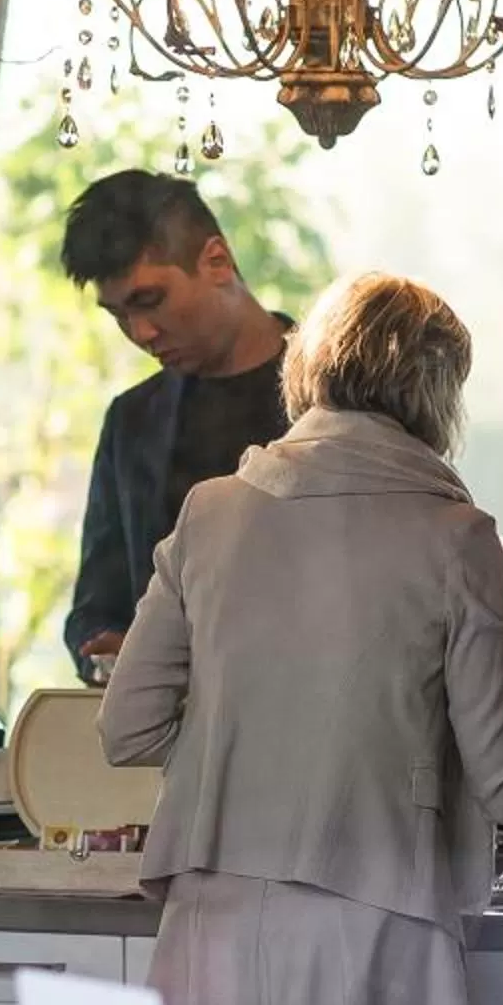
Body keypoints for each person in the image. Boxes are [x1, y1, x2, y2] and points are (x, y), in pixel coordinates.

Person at [99, 272, 503, 1005]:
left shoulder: (210, 513)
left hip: (210, 928)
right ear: (437, 391)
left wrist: (242, 743)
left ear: (310, 369)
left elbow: (126, 727)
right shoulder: (455, 536)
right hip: (372, 927)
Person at [58, 169, 296, 680]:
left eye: (149, 300)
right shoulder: (131, 420)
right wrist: (101, 650)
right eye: (117, 314)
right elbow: (97, 602)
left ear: (216, 260)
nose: (139, 332)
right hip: (169, 744)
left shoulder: (337, 396)